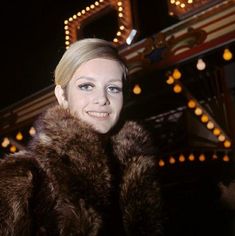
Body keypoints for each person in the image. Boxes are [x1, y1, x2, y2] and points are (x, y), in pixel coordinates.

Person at [0, 38, 162, 236]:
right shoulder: (22, 179)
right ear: (62, 95)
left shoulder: (142, 174)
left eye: (113, 88)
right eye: (86, 86)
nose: (102, 99)